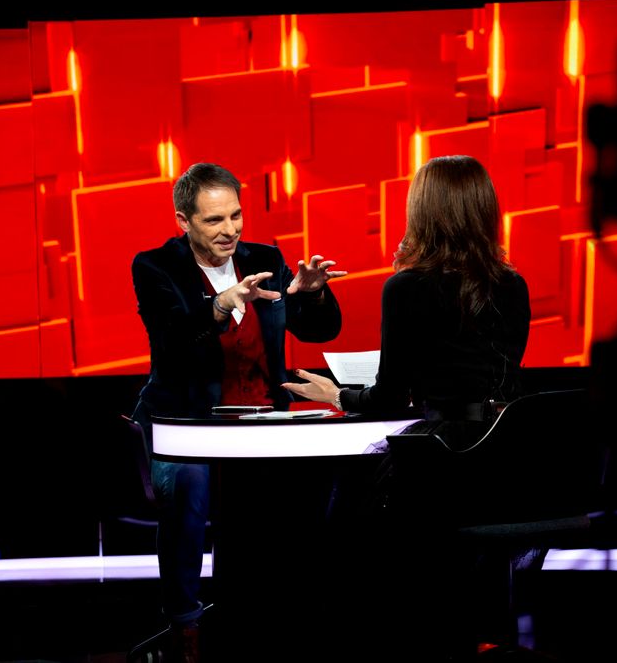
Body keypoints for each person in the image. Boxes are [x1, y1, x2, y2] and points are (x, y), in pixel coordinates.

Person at [282, 154, 531, 658]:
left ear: (422, 212)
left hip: (440, 461)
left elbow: (388, 399)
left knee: (342, 514)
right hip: (505, 464)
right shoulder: (513, 284)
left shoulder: (406, 287)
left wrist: (337, 395)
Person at [130, 162, 344, 661]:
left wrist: (313, 293)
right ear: (183, 221)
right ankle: (185, 622)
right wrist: (221, 305)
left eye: (236, 216)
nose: (230, 230)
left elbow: (319, 330)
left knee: (315, 486)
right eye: (214, 220)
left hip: (261, 423)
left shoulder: (265, 258)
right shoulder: (156, 267)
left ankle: (286, 618)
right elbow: (173, 340)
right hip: (183, 424)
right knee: (191, 484)